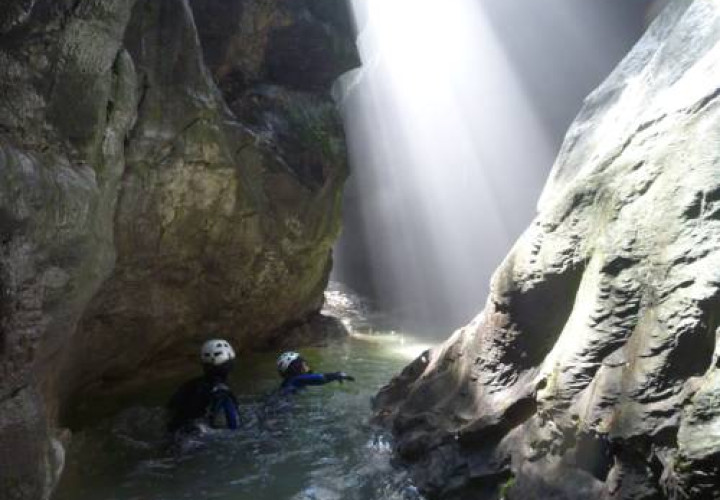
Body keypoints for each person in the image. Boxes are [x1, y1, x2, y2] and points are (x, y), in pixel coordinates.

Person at [166, 339, 241, 434]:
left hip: (175, 433)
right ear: (229, 364)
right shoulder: (222, 393)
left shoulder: (189, 385)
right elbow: (232, 427)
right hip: (199, 437)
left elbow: (170, 410)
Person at [276, 351, 355, 395]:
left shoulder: (288, 382)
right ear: (295, 367)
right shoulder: (296, 379)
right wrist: (336, 375)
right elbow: (320, 378)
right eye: (302, 363)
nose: (306, 365)